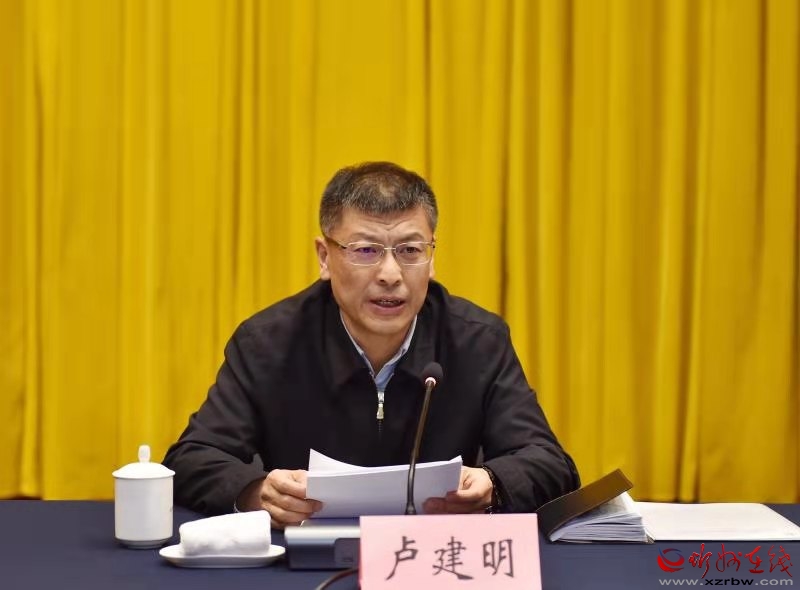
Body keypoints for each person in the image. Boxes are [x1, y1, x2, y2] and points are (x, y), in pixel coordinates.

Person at [163, 161, 580, 528]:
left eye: (410, 250)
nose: (390, 274)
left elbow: (549, 463)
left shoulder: (477, 341)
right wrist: (257, 493)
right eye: (366, 250)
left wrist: (494, 482)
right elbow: (191, 459)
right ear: (324, 257)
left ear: (432, 257)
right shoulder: (268, 343)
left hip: (433, 560)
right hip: (306, 561)